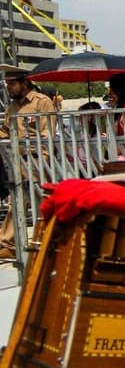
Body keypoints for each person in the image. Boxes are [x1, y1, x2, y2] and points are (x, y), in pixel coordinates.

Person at [0, 65, 56, 260]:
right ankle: (10, 243)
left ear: (24, 83)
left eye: (12, 84)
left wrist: (41, 162)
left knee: (38, 201)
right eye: (7, 84)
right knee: (20, 201)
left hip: (38, 160)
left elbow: (47, 134)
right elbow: (6, 131)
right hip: (19, 161)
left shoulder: (42, 102)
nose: (9, 88)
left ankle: (51, 239)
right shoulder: (13, 106)